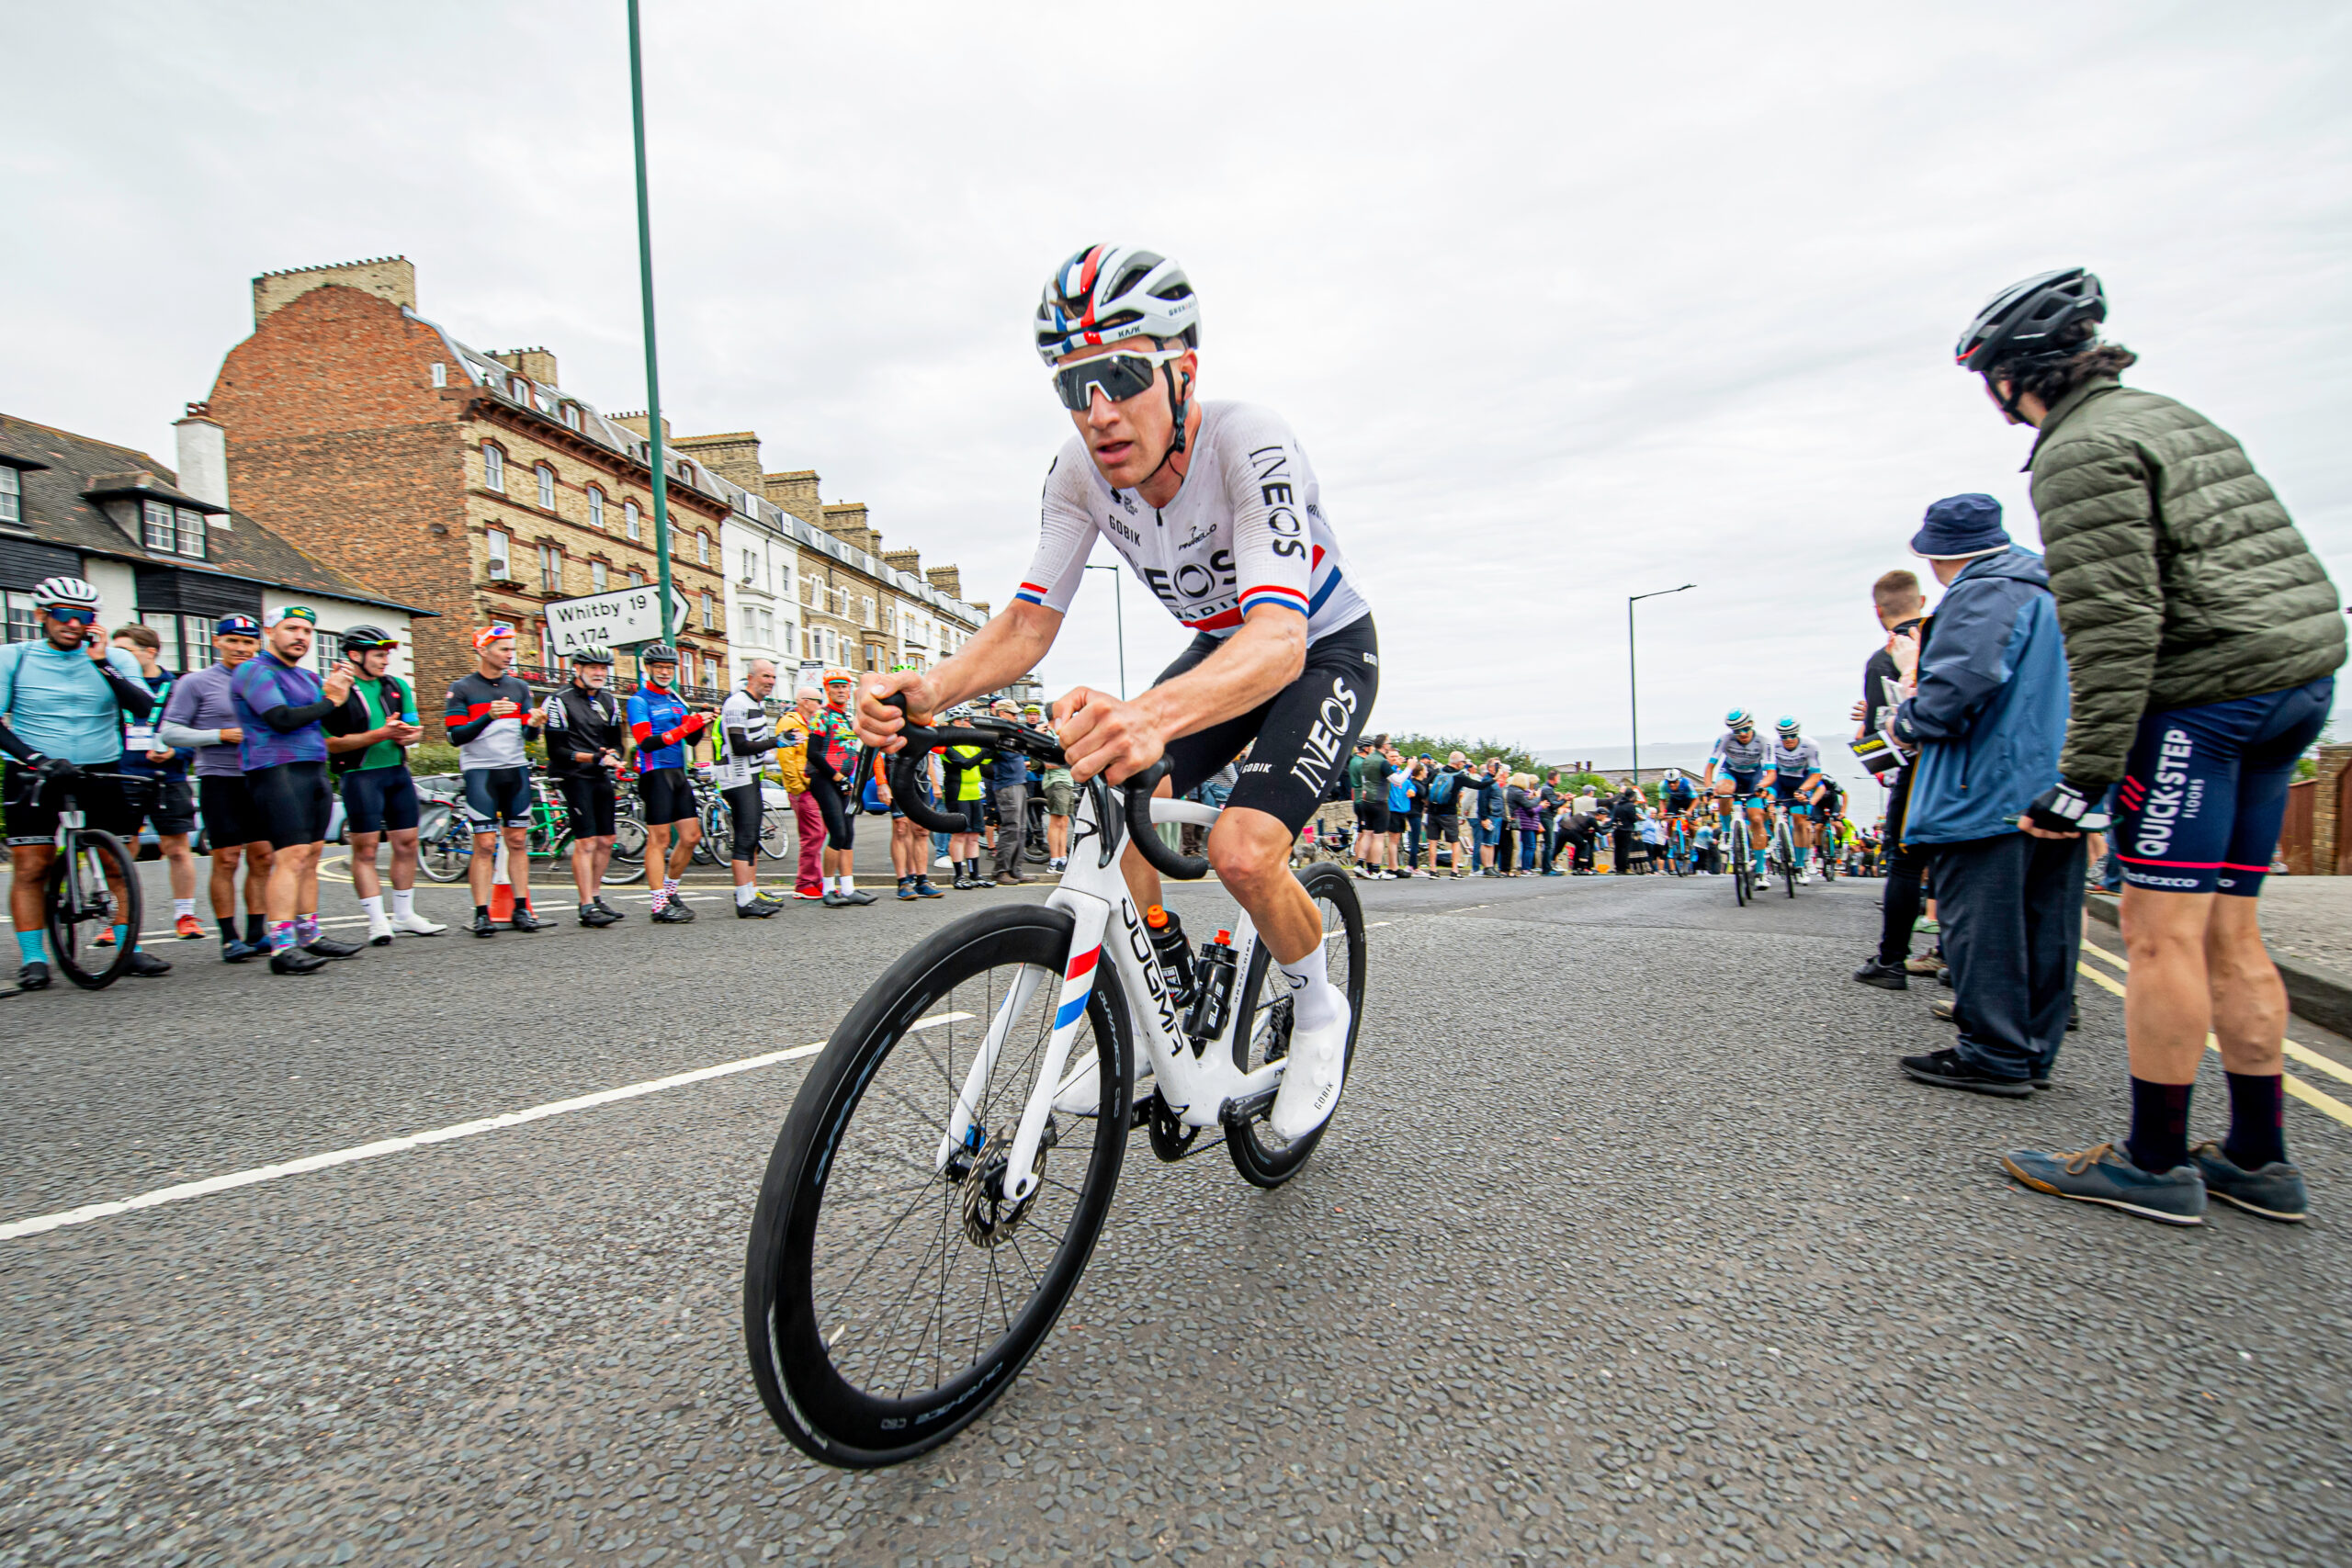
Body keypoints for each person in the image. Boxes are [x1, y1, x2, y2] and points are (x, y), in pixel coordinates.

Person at [858, 243, 1379, 1140]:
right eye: (1072, 385)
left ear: (1183, 371)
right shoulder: (1077, 473)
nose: (1097, 412)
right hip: (1222, 645)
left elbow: (1279, 640)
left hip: (1316, 649)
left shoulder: (1249, 440)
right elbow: (1026, 625)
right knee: (1114, 788)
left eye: (1121, 375)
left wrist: (1145, 714)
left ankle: (1319, 1009)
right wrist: (928, 690)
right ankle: (1160, 1005)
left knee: (1245, 852)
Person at [1953, 270, 2346, 1224]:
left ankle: (2153, 1161)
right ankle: (2257, 1156)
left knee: (2156, 934)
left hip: (2203, 704)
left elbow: (2118, 624)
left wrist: (2079, 779)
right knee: (2228, 930)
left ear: (2012, 377)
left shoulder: (2077, 451)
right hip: (2295, 685)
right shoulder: (2170, 417)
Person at [1878, 496, 2080, 1100]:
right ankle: (2033, 1050)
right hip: (2058, 781)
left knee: (1984, 926)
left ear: (1932, 554)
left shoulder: (1980, 592)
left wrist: (1904, 720)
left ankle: (1994, 1051)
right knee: (2046, 924)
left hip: (1987, 784)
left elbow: (1956, 692)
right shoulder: (2053, 589)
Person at [0, 577, 172, 987]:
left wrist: (102, 664)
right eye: (64, 615)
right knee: (32, 866)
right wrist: (35, 758)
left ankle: (126, 948)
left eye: (84, 617)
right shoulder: (13, 657)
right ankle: (35, 959)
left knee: (116, 860)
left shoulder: (114, 658)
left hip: (98, 767)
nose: (74, 624)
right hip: (33, 771)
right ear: (42, 616)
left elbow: (145, 709)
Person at [232, 606, 365, 974]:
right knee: (289, 857)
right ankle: (281, 946)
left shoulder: (307, 676)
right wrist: (329, 701)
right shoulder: (253, 670)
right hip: (275, 769)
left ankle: (309, 935)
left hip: (313, 769)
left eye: (307, 630)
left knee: (311, 855)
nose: (301, 637)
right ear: (270, 631)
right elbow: (280, 719)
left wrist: (344, 690)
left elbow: (339, 723)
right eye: (292, 628)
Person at [159, 614, 275, 962]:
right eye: (233, 641)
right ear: (217, 642)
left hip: (263, 777)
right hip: (220, 779)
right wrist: (218, 736)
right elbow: (170, 732)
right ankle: (229, 938)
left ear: (258, 644)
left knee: (264, 857)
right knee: (226, 858)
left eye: (248, 642)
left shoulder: (267, 678)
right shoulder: (195, 682)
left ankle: (257, 933)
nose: (240, 648)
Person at [324, 625, 443, 944]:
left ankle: (404, 915)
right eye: (378, 655)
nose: (385, 661)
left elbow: (416, 729)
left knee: (406, 842)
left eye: (387, 655)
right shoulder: (338, 688)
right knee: (366, 849)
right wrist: (379, 735)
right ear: (355, 655)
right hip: (360, 775)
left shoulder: (396, 685)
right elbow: (331, 744)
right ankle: (377, 921)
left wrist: (409, 733)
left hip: (397, 772)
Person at [1851, 570, 1932, 989]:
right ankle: (1953, 956)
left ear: (1878, 611)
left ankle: (1891, 962)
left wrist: (1862, 736)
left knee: (1904, 862)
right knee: (1954, 865)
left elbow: (1885, 747)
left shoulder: (1885, 658)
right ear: (1922, 598)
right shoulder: (1952, 635)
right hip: (1972, 774)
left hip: (1921, 774)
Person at [446, 624, 548, 937]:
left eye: (511, 649)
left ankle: (521, 908)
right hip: (481, 771)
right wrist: (486, 716)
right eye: (503, 649)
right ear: (482, 650)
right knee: (485, 844)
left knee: (518, 841)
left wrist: (535, 724)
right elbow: (454, 736)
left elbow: (528, 734)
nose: (509, 654)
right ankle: (481, 912)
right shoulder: (462, 688)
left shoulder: (519, 687)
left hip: (514, 769)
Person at [107, 624, 203, 940]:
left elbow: (194, 732)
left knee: (176, 849)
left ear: (150, 652)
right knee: (120, 851)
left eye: (124, 651)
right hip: (123, 777)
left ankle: (185, 915)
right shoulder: (111, 685)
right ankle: (115, 919)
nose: (116, 658)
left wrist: (177, 751)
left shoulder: (176, 687)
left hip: (168, 777)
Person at [539, 647, 628, 927]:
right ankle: (585, 904)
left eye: (603, 668)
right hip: (572, 774)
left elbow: (618, 743)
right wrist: (593, 757)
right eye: (593, 668)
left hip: (600, 773)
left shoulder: (609, 701)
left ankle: (596, 895)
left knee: (606, 840)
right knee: (586, 841)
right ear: (577, 669)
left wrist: (613, 755)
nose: (599, 673)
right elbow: (556, 750)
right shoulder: (558, 701)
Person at [715, 660, 791, 918]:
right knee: (745, 838)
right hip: (736, 778)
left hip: (749, 775)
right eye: (765, 676)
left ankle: (749, 894)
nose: (770, 681)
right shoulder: (737, 703)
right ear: (751, 677)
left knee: (752, 839)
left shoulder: (755, 705)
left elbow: (757, 753)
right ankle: (744, 900)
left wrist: (780, 751)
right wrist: (775, 742)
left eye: (773, 677)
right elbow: (739, 746)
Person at [803, 669, 872, 906]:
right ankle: (828, 890)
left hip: (844, 781)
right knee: (838, 832)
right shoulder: (822, 716)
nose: (841, 690)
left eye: (844, 686)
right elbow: (812, 753)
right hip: (824, 779)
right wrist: (835, 777)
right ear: (827, 690)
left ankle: (849, 888)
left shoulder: (846, 717)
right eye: (835, 686)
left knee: (849, 834)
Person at [1702, 709, 1770, 882]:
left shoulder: (1763, 740)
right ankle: (1726, 830)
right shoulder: (1724, 739)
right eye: (1737, 731)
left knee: (1756, 820)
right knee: (1724, 791)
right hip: (1730, 773)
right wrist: (1709, 788)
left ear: (1751, 724)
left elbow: (1772, 772)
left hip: (1753, 777)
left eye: (1745, 729)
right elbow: (1710, 767)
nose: (1742, 734)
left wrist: (1763, 786)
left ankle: (1761, 871)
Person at [772, 684, 826, 899]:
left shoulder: (809, 723)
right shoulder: (789, 722)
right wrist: (796, 787)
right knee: (812, 834)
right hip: (802, 788)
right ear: (804, 701)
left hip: (811, 785)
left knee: (819, 833)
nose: (820, 706)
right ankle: (804, 883)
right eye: (817, 701)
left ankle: (815, 880)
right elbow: (786, 756)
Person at [1760, 716, 1826, 884]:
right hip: (1779, 781)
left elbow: (1816, 774)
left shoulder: (1810, 745)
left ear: (1797, 733)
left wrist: (1803, 790)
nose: (1788, 740)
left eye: (1791, 736)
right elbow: (1769, 772)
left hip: (1799, 782)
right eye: (1783, 736)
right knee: (1766, 804)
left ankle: (1799, 865)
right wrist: (1768, 796)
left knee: (1800, 822)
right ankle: (1772, 839)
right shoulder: (1773, 746)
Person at [987, 696, 1034, 885]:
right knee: (1012, 827)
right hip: (1007, 784)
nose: (1016, 717)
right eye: (1013, 714)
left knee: (1021, 828)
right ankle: (1000, 870)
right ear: (1003, 714)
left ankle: (1015, 869)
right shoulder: (997, 733)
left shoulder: (1008, 731)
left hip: (1018, 782)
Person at [1028, 701, 1076, 873]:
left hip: (1066, 780)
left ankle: (1062, 858)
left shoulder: (1060, 732)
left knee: (1063, 822)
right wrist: (1071, 761)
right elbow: (1049, 763)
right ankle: (1054, 861)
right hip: (1056, 781)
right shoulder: (1048, 733)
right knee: (1056, 822)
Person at [1422, 752, 1465, 876]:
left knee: (1433, 841)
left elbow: (1424, 784)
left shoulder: (1437, 772)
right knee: (1454, 841)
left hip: (1433, 811)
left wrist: (1427, 802)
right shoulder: (1459, 776)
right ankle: (1455, 870)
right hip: (1449, 812)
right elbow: (1477, 785)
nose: (1464, 764)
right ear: (1458, 763)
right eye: (1463, 762)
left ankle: (1433, 869)